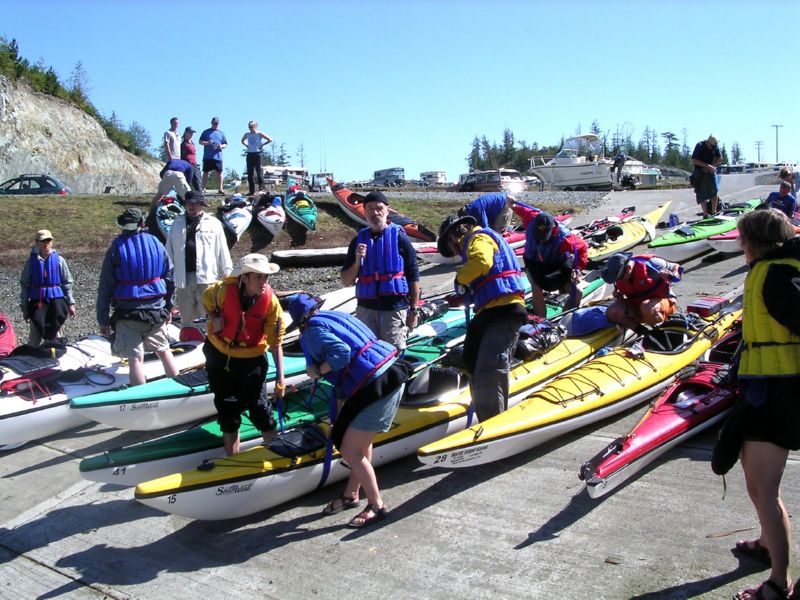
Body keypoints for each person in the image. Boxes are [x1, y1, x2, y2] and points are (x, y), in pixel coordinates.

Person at [286, 293, 406, 528]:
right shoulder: (335, 316)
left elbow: (341, 353)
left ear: (299, 320)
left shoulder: (311, 332)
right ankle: (351, 494)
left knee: (349, 448)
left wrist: (319, 370)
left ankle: (377, 506)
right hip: (390, 371)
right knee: (361, 445)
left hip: (376, 385)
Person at [730, 209, 800, 600]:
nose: (739, 244)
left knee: (763, 486)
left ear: (753, 241)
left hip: (782, 392)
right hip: (766, 388)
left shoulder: (777, 276)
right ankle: (768, 543)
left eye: (742, 238)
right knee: (756, 481)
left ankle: (777, 582)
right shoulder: (773, 270)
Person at [437, 213, 527, 422]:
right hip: (490, 311)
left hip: (504, 310)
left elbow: (481, 261)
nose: (454, 252)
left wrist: (461, 278)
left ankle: (494, 425)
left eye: (451, 247)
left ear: (453, 236)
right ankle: (484, 414)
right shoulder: (478, 240)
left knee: (489, 368)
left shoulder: (478, 238)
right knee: (472, 360)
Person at [202, 253, 285, 456]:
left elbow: (276, 343)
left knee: (260, 408)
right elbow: (206, 303)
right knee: (227, 410)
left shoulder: (271, 303)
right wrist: (214, 318)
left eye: (266, 276)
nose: (263, 281)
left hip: (252, 360)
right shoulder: (221, 292)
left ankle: (274, 453)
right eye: (258, 277)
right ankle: (233, 461)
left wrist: (280, 379)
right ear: (244, 278)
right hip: (220, 356)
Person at [96, 208, 179, 386]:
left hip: (128, 313)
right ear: (142, 223)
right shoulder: (156, 242)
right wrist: (168, 307)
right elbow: (170, 278)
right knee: (164, 351)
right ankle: (180, 388)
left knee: (135, 359)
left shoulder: (116, 248)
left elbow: (105, 287)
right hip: (156, 310)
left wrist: (103, 320)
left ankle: (142, 401)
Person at [340, 190, 420, 349]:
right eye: (369, 208)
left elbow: (413, 276)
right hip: (366, 309)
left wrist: (414, 310)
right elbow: (346, 281)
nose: (375, 212)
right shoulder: (357, 241)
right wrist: (357, 260)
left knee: (394, 352)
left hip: (394, 308)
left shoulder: (400, 238)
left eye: (379, 208)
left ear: (387, 211)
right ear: (364, 212)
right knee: (369, 353)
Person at [165, 191, 232, 323]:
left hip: (207, 277)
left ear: (201, 205)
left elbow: (223, 249)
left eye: (195, 203)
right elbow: (168, 251)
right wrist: (167, 276)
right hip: (183, 278)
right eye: (189, 203)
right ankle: (188, 339)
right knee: (187, 317)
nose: (192, 206)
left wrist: (227, 272)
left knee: (208, 315)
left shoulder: (214, 223)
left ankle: (207, 341)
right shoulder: (176, 224)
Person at [522, 211, 588, 317]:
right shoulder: (531, 221)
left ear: (553, 227)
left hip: (557, 265)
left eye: (545, 235)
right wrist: (513, 205)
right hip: (534, 264)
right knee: (537, 288)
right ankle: (541, 323)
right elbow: (523, 210)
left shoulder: (566, 239)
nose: (542, 240)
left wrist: (578, 268)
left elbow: (583, 247)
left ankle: (564, 319)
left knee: (578, 292)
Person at [19, 229, 76, 345]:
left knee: (56, 337)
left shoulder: (59, 260)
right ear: (37, 243)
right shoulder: (31, 262)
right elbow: (25, 285)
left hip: (56, 303)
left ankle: (56, 359)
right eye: (43, 241)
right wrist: (25, 309)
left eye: (49, 240)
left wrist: (71, 303)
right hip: (37, 303)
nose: (46, 243)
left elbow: (67, 283)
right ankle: (32, 358)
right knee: (34, 338)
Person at [601, 252, 682, 331]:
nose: (619, 280)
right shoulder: (620, 277)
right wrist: (618, 296)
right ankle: (642, 332)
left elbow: (676, 266)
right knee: (612, 312)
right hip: (639, 308)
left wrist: (672, 275)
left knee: (646, 307)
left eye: (619, 277)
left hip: (661, 304)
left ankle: (661, 332)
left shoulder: (652, 263)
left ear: (628, 268)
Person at [691, 135, 722, 217]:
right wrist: (706, 166)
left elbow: (719, 158)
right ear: (708, 142)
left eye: (714, 146)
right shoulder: (700, 146)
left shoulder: (715, 146)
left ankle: (714, 212)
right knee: (701, 193)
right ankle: (705, 214)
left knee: (714, 191)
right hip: (699, 171)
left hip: (710, 171)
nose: (713, 147)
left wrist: (711, 166)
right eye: (711, 145)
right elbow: (694, 160)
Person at [241, 120, 272, 196]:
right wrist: (247, 145)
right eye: (249, 127)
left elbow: (270, 139)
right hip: (250, 153)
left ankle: (262, 189)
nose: (250, 128)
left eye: (252, 127)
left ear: (255, 126)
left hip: (257, 153)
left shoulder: (259, 133)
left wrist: (262, 145)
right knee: (250, 172)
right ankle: (251, 191)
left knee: (259, 171)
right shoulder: (247, 134)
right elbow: (242, 141)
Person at [199, 117, 228, 195]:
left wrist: (222, 146)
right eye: (214, 123)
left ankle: (220, 188)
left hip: (218, 156)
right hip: (208, 156)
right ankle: (203, 188)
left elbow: (225, 143)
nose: (215, 125)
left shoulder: (221, 133)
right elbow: (200, 141)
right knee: (205, 172)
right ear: (211, 123)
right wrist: (207, 143)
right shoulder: (206, 132)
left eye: (217, 123)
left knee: (219, 172)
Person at [180, 126, 202, 192]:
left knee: (197, 181)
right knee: (188, 181)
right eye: (190, 133)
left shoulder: (192, 143)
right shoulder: (183, 144)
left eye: (192, 133)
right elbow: (181, 155)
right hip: (187, 164)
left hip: (194, 163)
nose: (191, 134)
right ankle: (184, 196)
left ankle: (199, 195)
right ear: (186, 133)